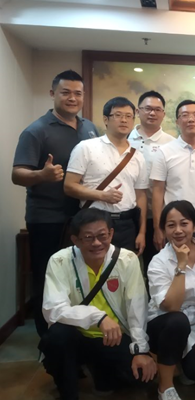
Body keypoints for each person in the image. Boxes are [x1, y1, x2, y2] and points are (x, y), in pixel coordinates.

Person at [12, 69, 98, 337]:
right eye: (66, 92)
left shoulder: (89, 127)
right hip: (47, 219)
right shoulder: (36, 131)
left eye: (78, 93)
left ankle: (76, 337)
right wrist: (42, 175)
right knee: (48, 278)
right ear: (53, 94)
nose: (72, 98)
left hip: (81, 217)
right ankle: (47, 341)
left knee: (79, 278)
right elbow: (17, 174)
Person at [40, 208, 156, 400]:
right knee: (57, 336)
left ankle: (100, 372)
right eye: (88, 237)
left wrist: (140, 350)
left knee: (142, 376)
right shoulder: (59, 260)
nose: (96, 243)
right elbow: (53, 309)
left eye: (102, 235)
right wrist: (98, 317)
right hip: (77, 336)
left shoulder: (127, 260)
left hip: (113, 337)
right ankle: (69, 393)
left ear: (111, 233)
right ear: (75, 240)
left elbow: (137, 307)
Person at [147, 201, 195, 400]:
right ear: (164, 230)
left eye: (184, 223)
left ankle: (179, 360)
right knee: (178, 322)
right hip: (164, 322)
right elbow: (171, 306)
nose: (178, 230)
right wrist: (181, 265)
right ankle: (165, 387)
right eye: (171, 225)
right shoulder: (158, 262)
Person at [65, 97, 148, 254]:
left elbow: (141, 195)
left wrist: (142, 232)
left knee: (124, 266)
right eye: (118, 115)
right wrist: (102, 196)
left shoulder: (138, 156)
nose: (124, 120)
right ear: (105, 119)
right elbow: (69, 186)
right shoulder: (86, 147)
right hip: (92, 223)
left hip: (126, 224)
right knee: (92, 265)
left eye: (129, 116)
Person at [151, 100, 195, 248]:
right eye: (185, 115)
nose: (191, 119)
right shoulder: (164, 152)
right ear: (177, 122)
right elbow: (157, 191)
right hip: (175, 226)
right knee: (175, 262)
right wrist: (158, 228)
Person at [129, 90, 175, 271]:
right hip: (127, 215)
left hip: (159, 216)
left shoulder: (171, 143)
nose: (152, 113)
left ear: (163, 114)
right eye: (147, 108)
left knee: (156, 266)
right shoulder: (125, 139)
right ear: (137, 111)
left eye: (157, 110)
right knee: (127, 266)